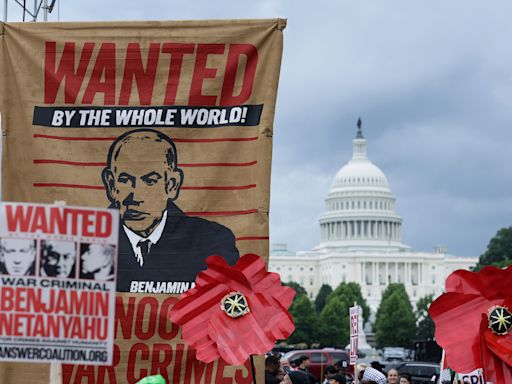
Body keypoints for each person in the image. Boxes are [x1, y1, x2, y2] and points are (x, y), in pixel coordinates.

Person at [101, 129, 239, 292]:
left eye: (150, 181)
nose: (135, 196)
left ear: (172, 185)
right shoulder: (85, 241)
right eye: (125, 180)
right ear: (111, 185)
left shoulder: (212, 242)